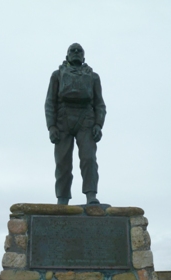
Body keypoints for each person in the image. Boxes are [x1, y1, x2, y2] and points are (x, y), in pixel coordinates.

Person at [45, 43, 106, 205]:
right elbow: (50, 102)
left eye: (79, 51)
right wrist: (51, 126)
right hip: (62, 121)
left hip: (86, 121)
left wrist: (98, 124)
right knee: (62, 162)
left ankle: (91, 195)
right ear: (67, 56)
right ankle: (62, 198)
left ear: (84, 57)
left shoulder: (93, 77)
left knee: (89, 159)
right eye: (73, 51)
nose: (76, 53)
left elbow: (100, 104)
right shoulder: (57, 75)